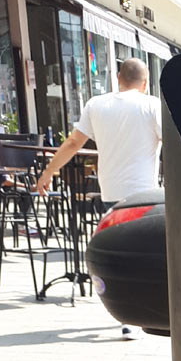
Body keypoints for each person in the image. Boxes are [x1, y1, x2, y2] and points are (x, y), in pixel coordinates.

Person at [35, 57, 161, 339]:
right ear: (145, 83)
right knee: (146, 254)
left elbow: (73, 143)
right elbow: (171, 143)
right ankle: (143, 314)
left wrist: (48, 173)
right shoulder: (152, 105)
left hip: (112, 192)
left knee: (121, 255)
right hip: (145, 193)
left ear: (118, 78)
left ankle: (127, 316)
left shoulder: (96, 104)